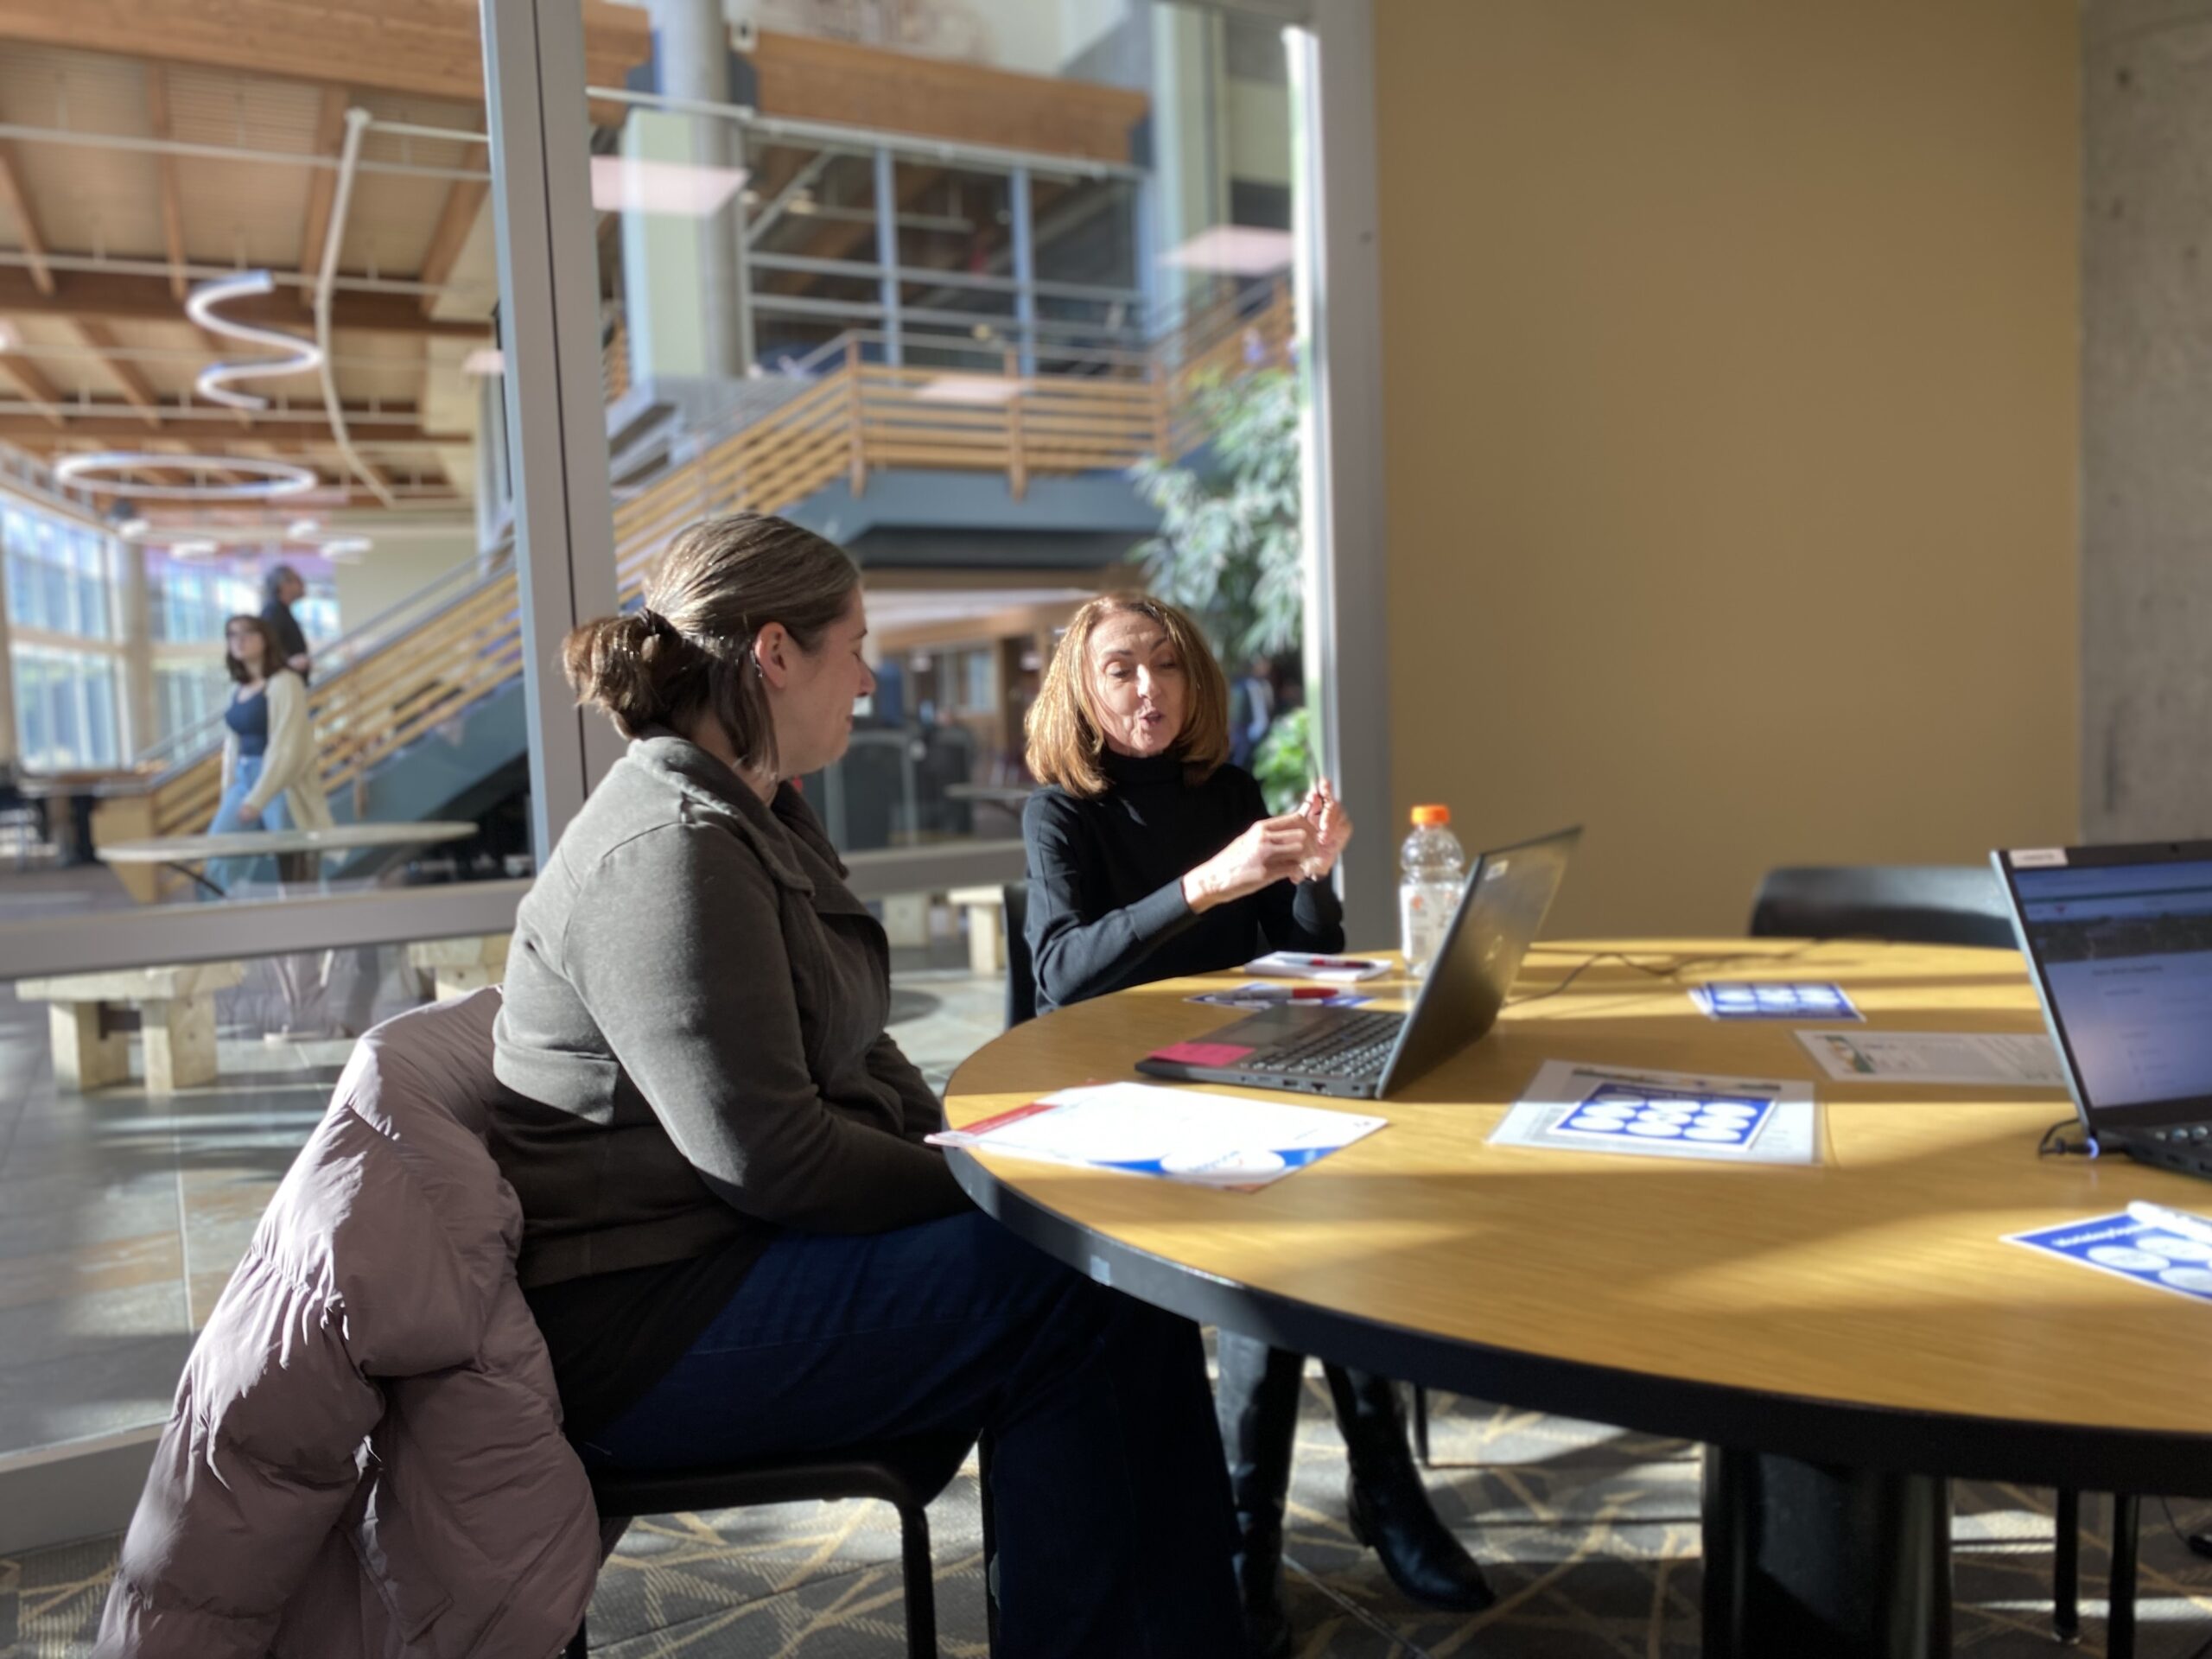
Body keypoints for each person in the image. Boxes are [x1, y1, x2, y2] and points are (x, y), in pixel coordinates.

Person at [486, 514, 1243, 1658]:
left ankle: (1183, 1630)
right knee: (1076, 1285)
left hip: (734, 1258)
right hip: (652, 1327)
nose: (872, 679)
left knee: (1094, 1262)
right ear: (776, 654)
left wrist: (1000, 1154)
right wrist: (1001, 1182)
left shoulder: (760, 814)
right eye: (856, 647)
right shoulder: (670, 847)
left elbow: (860, 1051)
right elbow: (773, 1159)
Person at [1020, 593, 1493, 1658]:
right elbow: (1060, 976)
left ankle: (1309, 1515)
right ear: (1084, 694)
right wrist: (1203, 884)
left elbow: (1303, 953)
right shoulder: (1061, 812)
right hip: (1125, 1089)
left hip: (1247, 1067)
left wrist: (1313, 878)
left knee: (1337, 1212)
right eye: (1122, 671)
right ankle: (1308, 1517)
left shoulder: (1225, 788)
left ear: (1195, 683)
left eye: (1167, 668)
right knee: (1287, 1241)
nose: (1149, 689)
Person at [207, 613, 332, 896]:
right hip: (245, 777)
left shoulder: (285, 682)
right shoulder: (239, 688)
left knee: (295, 866)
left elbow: (288, 747)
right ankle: (242, 922)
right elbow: (234, 747)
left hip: (281, 781)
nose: (239, 640)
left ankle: (304, 928)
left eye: (248, 633)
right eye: (232, 634)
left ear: (265, 639)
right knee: (219, 857)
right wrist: (232, 792)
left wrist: (259, 797)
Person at [259, 563, 312, 680]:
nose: (303, 585)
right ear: (284, 585)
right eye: (298, 581)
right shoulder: (273, 612)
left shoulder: (282, 611)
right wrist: (287, 663)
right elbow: (267, 647)